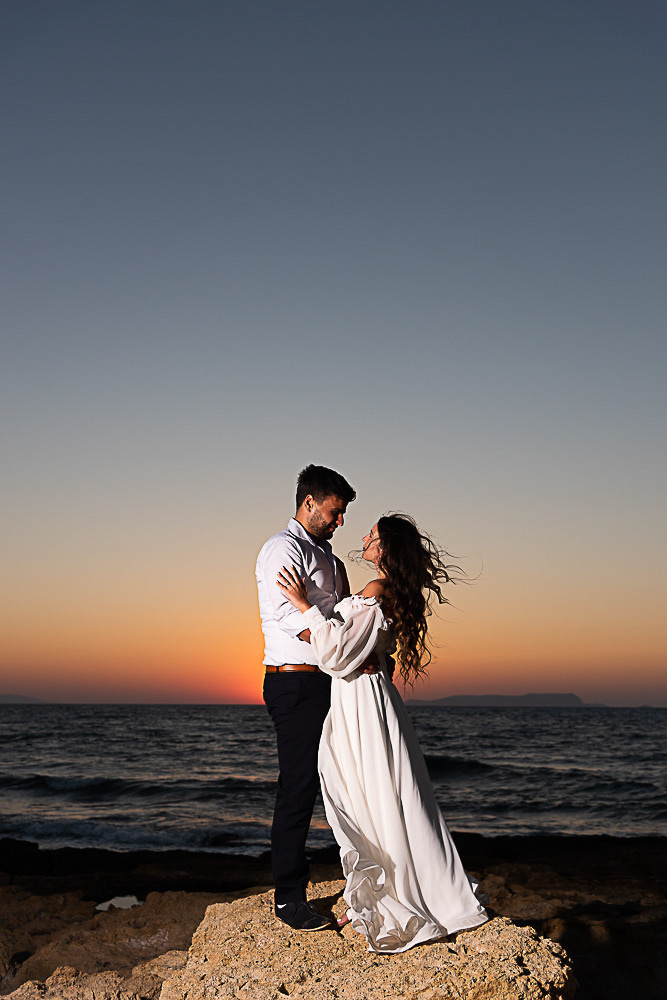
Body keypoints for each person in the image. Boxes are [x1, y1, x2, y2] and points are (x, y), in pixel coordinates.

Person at [276, 513, 488, 953]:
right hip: (366, 695)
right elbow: (367, 645)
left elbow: (336, 656)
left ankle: (394, 894)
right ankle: (384, 888)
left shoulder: (377, 590)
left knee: (371, 793)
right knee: (377, 793)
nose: (363, 538)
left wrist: (302, 606)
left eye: (371, 535)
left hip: (362, 699)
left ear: (386, 547)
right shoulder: (381, 590)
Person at [256, 464, 356, 931]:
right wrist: (332, 632)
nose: (340, 523)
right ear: (309, 503)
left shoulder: (332, 561)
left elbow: (347, 621)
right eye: (335, 513)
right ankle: (289, 899)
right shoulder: (283, 548)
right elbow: (287, 617)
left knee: (342, 783)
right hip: (294, 681)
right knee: (298, 788)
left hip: (330, 679)